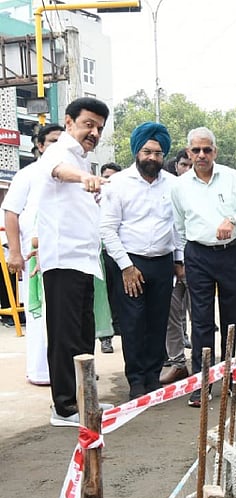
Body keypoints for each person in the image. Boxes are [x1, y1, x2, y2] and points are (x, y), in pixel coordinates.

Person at [28, 96, 111, 426]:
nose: (93, 132)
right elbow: (57, 171)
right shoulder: (59, 152)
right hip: (63, 260)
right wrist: (82, 178)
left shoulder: (83, 159)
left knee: (82, 335)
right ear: (69, 122)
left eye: (99, 128)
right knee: (64, 336)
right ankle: (63, 407)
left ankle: (82, 398)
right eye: (88, 124)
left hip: (84, 261)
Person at [171, 127, 236, 406]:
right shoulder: (180, 186)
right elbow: (179, 226)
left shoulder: (234, 179)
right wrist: (192, 251)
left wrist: (233, 220)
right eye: (196, 150)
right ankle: (203, 382)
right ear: (188, 152)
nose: (201, 155)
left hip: (231, 254)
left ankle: (233, 377)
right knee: (200, 321)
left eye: (206, 150)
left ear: (215, 152)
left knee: (233, 318)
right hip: (198, 255)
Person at [99, 122, 176, 399]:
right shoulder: (117, 184)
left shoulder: (173, 185)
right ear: (137, 152)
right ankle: (136, 381)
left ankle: (153, 379)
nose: (152, 158)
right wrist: (127, 267)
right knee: (133, 324)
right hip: (130, 263)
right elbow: (107, 228)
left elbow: (177, 227)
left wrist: (178, 261)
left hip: (163, 263)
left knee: (158, 322)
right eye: (147, 151)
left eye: (157, 153)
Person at [2, 123, 62, 386]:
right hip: (34, 256)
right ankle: (41, 371)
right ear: (40, 146)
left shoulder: (70, 173)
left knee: (67, 317)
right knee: (40, 316)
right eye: (52, 141)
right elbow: (11, 213)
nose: (58, 147)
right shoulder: (27, 175)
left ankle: (67, 372)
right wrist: (15, 253)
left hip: (66, 256)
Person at [160, 147, 194, 384]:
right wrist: (177, 262)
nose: (188, 169)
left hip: (198, 262)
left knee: (200, 315)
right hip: (171, 263)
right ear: (176, 166)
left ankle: (206, 364)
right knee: (172, 315)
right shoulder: (168, 190)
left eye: (191, 165)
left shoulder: (205, 191)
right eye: (184, 164)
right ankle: (177, 362)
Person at [96, 161, 122, 355]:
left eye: (113, 178)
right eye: (106, 177)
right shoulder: (93, 198)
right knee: (103, 298)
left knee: (119, 295)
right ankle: (106, 339)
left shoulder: (121, 197)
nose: (109, 181)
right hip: (99, 254)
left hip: (119, 255)